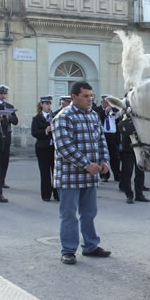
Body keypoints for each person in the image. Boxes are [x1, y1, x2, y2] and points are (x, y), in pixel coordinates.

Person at [52, 81, 111, 265]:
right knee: (69, 215)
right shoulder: (63, 117)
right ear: (74, 97)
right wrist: (86, 164)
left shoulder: (93, 116)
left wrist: (104, 161)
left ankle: (90, 245)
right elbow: (64, 147)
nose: (90, 99)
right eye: (86, 96)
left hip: (90, 176)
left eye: (91, 96)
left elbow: (101, 140)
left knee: (89, 213)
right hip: (70, 177)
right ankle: (68, 250)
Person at [31, 95, 59, 202]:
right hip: (42, 148)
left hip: (54, 148)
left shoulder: (54, 116)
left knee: (55, 171)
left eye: (50, 104)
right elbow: (34, 132)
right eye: (46, 104)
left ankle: (57, 193)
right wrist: (46, 131)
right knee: (45, 172)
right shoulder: (37, 118)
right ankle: (46, 194)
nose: (48, 106)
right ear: (41, 105)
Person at [119, 121, 150, 204]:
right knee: (127, 171)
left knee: (140, 170)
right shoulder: (126, 114)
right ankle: (129, 195)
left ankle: (139, 194)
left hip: (140, 146)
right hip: (128, 147)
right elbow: (122, 126)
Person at [0, 85, 18, 188]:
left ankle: (2, 180)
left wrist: (10, 117)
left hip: (7, 135)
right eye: (1, 93)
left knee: (5, 159)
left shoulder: (9, 106)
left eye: (4, 94)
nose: (3, 96)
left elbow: (16, 121)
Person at [96, 95, 121, 182]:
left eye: (107, 102)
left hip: (113, 136)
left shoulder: (115, 110)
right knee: (103, 156)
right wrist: (105, 113)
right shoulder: (98, 110)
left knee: (115, 157)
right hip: (103, 136)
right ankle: (104, 175)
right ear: (101, 103)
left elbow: (119, 120)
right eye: (104, 102)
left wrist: (112, 113)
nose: (106, 104)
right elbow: (99, 118)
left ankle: (117, 175)